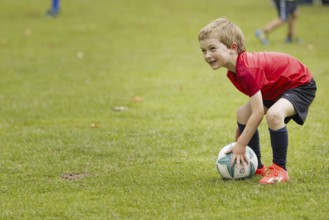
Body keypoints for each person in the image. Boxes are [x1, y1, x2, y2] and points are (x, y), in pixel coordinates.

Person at [198, 18, 316, 184]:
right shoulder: (233, 72)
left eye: (212, 49)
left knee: (274, 115)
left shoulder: (246, 70)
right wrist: (243, 130)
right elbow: (254, 108)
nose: (207, 55)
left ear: (233, 48)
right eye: (203, 50)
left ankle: (279, 169)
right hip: (276, 88)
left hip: (300, 84)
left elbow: (259, 112)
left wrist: (241, 144)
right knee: (242, 114)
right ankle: (256, 166)